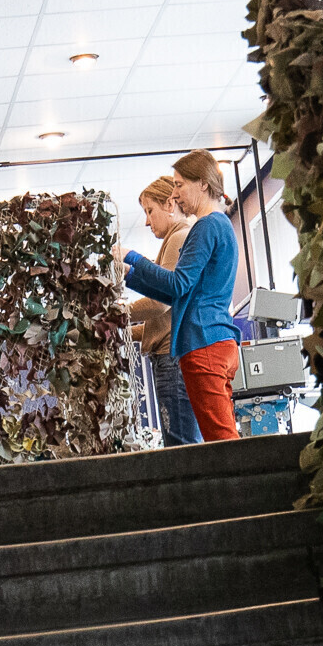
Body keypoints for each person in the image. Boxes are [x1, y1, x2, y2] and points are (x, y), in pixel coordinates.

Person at [115, 150, 243, 441]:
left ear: (203, 184)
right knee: (219, 437)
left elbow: (177, 285)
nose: (174, 194)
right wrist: (130, 273)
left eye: (179, 184)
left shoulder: (206, 226)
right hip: (216, 341)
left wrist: (132, 257)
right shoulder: (220, 225)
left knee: (220, 441)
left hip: (203, 343)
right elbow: (176, 293)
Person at [127, 175, 203, 445]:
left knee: (180, 445)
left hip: (173, 358)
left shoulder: (180, 237)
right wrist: (120, 332)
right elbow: (162, 321)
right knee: (180, 441)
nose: (147, 221)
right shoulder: (178, 239)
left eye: (150, 211)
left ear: (170, 204)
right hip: (170, 356)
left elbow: (161, 303)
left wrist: (115, 316)